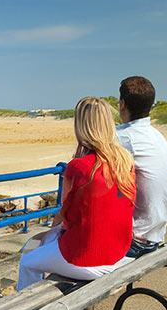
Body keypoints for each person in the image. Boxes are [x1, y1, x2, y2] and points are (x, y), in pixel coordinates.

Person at [17, 97, 136, 290]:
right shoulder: (125, 161)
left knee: (28, 260)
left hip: (85, 258)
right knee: (44, 246)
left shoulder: (79, 166)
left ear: (81, 126)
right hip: (118, 251)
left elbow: (65, 215)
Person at [117, 76, 167, 258]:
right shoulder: (157, 136)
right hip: (156, 233)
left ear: (122, 104)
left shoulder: (124, 137)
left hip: (136, 240)